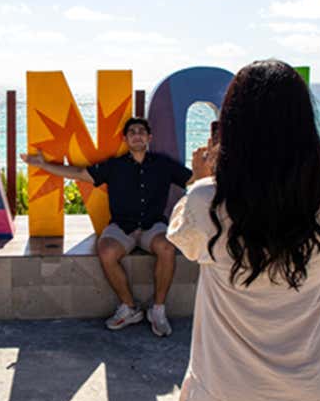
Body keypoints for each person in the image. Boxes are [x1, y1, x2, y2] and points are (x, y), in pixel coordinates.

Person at [168, 60, 320, 401]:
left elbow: (184, 241)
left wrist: (201, 178)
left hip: (228, 392)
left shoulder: (207, 200)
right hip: (314, 389)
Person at [21, 117, 194, 336]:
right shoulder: (114, 166)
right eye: (132, 132)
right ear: (125, 139)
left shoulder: (163, 165)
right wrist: (43, 165)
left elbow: (193, 179)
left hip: (153, 225)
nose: (137, 135)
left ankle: (158, 310)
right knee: (106, 251)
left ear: (149, 138)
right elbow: (79, 174)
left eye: (141, 131)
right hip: (122, 226)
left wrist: (215, 164)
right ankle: (129, 308)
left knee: (167, 248)